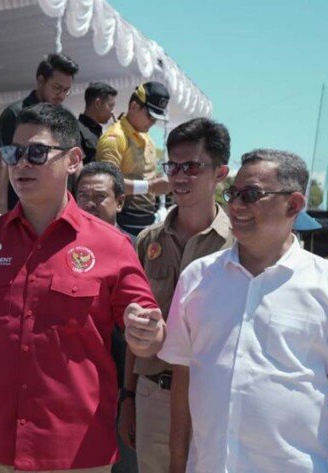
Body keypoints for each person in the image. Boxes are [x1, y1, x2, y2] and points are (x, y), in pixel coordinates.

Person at [0, 103, 161, 473]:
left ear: (73, 160)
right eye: (13, 153)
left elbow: (146, 335)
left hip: (76, 453)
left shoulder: (113, 246)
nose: (21, 163)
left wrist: (147, 332)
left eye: (36, 153)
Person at [130, 149, 328, 473]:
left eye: (251, 195)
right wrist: (178, 463)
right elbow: (184, 376)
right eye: (233, 194)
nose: (236, 205)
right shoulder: (197, 278)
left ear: (293, 205)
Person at [120, 118, 233, 473]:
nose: (179, 177)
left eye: (192, 166)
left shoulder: (239, 245)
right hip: (154, 395)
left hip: (214, 398)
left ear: (221, 172)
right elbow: (134, 329)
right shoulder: (148, 242)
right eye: (173, 167)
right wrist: (128, 395)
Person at [74, 160, 139, 473]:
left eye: (98, 196)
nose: (88, 203)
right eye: (81, 195)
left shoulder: (135, 250)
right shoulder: (60, 251)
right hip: (79, 393)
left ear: (120, 201)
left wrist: (131, 393)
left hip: (125, 388)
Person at [0, 53, 79, 213]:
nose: (61, 95)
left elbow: (76, 162)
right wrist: (1, 210)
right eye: (57, 87)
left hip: (60, 208)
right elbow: (2, 162)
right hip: (20, 206)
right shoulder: (14, 113)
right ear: (40, 81)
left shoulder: (66, 117)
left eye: (66, 90)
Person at [97, 82, 171, 236]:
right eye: (150, 116)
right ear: (134, 106)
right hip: (121, 225)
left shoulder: (146, 137)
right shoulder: (114, 138)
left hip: (146, 223)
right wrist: (150, 186)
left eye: (156, 118)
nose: (153, 122)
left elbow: (146, 176)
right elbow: (106, 185)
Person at [78, 82, 118, 164]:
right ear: (97, 103)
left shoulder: (98, 132)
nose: (112, 112)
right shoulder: (76, 130)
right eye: (110, 106)